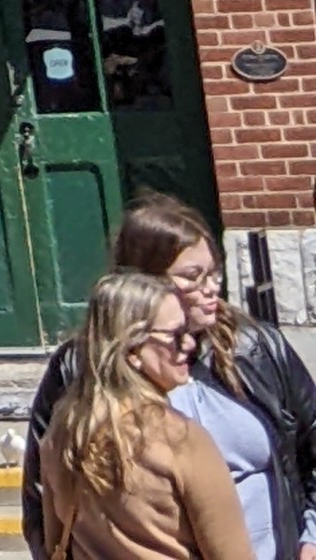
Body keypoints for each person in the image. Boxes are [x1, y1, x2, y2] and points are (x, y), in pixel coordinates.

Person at [24, 200, 316, 560]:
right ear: (145, 283)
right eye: (193, 277)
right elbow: (43, 503)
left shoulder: (256, 348)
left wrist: (312, 536)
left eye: (214, 274)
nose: (211, 288)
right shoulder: (78, 375)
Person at [39, 270, 251, 560]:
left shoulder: (65, 430)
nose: (189, 344)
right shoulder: (180, 440)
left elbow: (52, 542)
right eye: (175, 336)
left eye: (188, 331)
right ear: (132, 350)